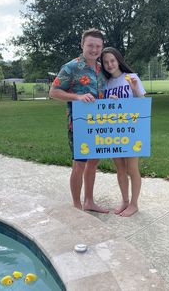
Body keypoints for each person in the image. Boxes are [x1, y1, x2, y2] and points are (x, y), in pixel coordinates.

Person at [49, 28, 109, 213]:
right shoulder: (71, 67)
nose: (94, 49)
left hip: (98, 123)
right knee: (79, 164)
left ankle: (89, 201)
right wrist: (77, 97)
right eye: (90, 45)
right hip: (79, 125)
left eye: (98, 46)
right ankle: (76, 207)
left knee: (94, 162)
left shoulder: (102, 68)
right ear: (82, 45)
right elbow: (53, 92)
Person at [101, 47, 146, 217]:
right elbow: (103, 110)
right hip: (113, 130)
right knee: (120, 168)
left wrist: (134, 90)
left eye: (112, 60)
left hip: (131, 129)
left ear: (118, 60)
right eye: (106, 62)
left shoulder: (132, 77)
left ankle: (134, 204)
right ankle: (125, 201)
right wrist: (108, 101)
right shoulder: (106, 83)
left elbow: (142, 104)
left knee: (132, 168)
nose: (109, 64)